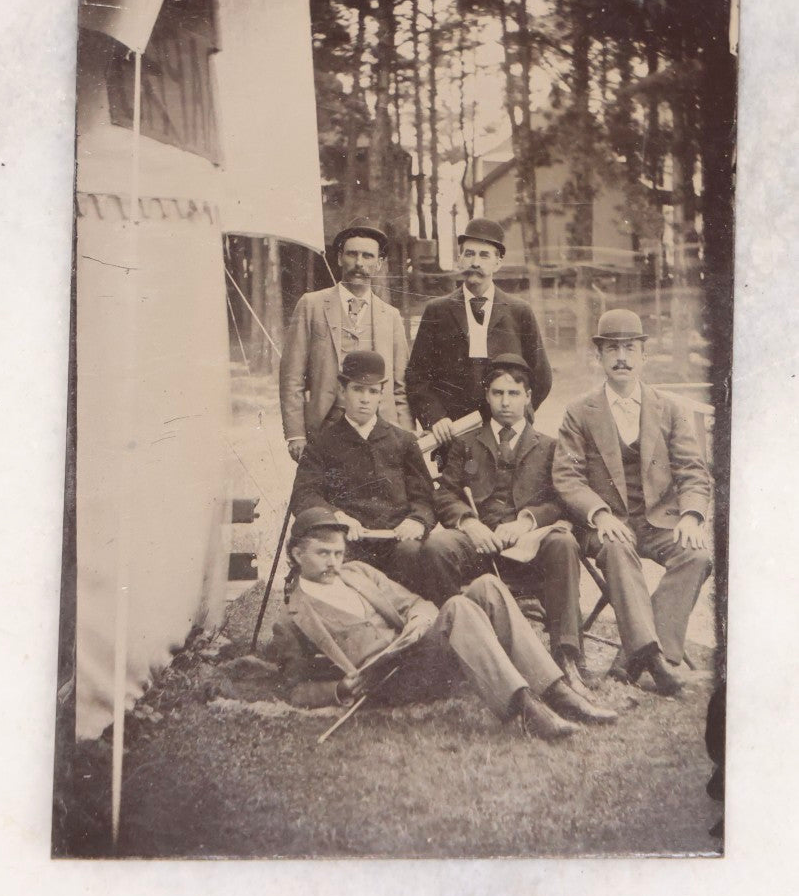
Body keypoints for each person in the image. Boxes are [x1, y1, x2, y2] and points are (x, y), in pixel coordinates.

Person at [270, 508, 617, 740]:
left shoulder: (358, 573)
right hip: (387, 683)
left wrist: (417, 625)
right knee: (456, 608)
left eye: (338, 553)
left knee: (487, 585)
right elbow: (295, 689)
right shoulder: (293, 617)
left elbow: (416, 604)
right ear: (297, 555)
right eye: (323, 554)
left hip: (416, 655)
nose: (334, 562)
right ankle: (527, 709)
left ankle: (557, 692)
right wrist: (340, 690)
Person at [552, 309, 713, 695]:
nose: (621, 357)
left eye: (629, 348)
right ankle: (655, 662)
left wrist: (691, 514)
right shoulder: (579, 411)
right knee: (619, 550)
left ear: (644, 355)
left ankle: (631, 660)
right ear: (600, 357)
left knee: (697, 555)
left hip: (659, 522)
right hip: (605, 525)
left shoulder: (669, 408)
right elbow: (567, 476)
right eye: (612, 349)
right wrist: (600, 512)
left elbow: (693, 470)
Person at [433, 354, 588, 698]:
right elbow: (445, 494)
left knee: (564, 544)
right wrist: (469, 522)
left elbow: (560, 500)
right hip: (479, 545)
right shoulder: (464, 443)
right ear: (487, 396)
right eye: (498, 393)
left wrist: (526, 522)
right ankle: (458, 654)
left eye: (514, 394)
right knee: (437, 547)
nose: (505, 402)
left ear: (529, 397)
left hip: (527, 547)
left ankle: (566, 655)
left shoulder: (549, 446)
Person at [290, 351, 466, 603]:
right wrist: (336, 519)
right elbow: (304, 495)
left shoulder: (403, 441)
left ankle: (428, 627)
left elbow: (424, 497)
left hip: (397, 542)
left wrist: (417, 521)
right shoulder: (322, 443)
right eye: (358, 390)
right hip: (348, 543)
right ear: (342, 390)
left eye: (372, 392)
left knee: (417, 557)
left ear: (381, 394)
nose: (365, 399)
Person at [406, 217, 551, 449]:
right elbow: (418, 377)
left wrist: (521, 413)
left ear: (498, 262)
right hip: (453, 434)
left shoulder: (519, 311)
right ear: (460, 259)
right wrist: (435, 418)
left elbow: (541, 375)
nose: (475, 262)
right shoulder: (438, 310)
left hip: (506, 432)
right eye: (469, 254)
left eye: (484, 255)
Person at [279, 221, 412, 462]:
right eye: (352, 254)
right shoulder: (312, 305)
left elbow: (401, 386)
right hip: (326, 425)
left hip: (380, 427)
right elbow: (292, 377)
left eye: (368, 256)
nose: (359, 263)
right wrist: (295, 434)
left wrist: (406, 434)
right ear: (340, 258)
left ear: (379, 264)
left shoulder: (390, 316)